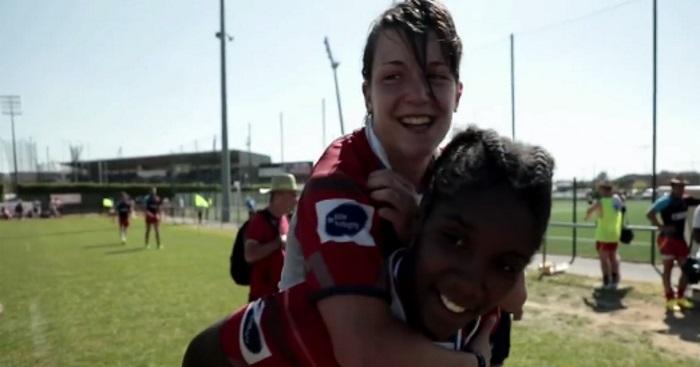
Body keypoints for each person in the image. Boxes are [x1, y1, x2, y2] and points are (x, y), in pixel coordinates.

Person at [275, 2, 532, 366]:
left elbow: (515, 296)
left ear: (457, 92)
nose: (417, 94)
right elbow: (364, 353)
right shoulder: (340, 181)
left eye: (435, 76)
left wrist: (424, 231)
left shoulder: (461, 175)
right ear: (367, 94)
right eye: (394, 77)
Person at [182, 126, 555, 367]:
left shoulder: (484, 323)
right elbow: (205, 353)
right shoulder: (323, 322)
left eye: (506, 265)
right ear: (417, 223)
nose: (472, 282)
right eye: (455, 240)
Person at [646, 177, 700, 312]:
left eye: (683, 186)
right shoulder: (665, 201)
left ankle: (681, 297)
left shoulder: (685, 199)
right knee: (668, 269)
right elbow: (649, 214)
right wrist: (661, 227)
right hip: (667, 240)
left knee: (686, 270)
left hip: (680, 240)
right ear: (673, 187)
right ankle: (670, 299)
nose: (682, 189)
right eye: (679, 186)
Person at [244, 174, 298, 301]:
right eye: (292, 195)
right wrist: (277, 243)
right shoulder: (259, 220)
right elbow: (249, 255)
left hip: (281, 295)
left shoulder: (285, 219)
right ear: (278, 196)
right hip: (262, 299)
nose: (296, 200)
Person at [585, 181, 625, 289]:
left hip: (603, 235)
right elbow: (621, 210)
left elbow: (589, 212)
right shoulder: (616, 200)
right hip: (614, 234)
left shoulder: (601, 202)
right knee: (613, 257)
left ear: (603, 190)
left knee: (604, 259)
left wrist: (588, 216)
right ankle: (615, 279)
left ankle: (606, 281)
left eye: (600, 189)